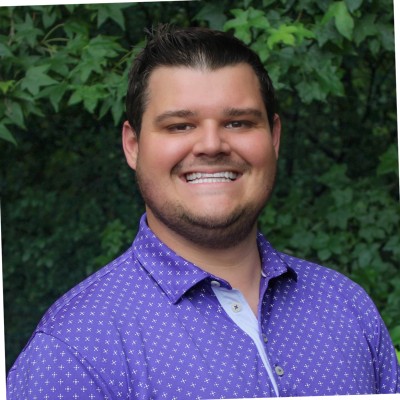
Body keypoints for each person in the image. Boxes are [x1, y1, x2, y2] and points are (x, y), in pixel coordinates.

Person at [7, 25, 400, 399]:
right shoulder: (73, 349)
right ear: (133, 145)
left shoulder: (347, 307)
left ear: (274, 137)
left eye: (238, 122)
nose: (212, 145)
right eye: (180, 126)